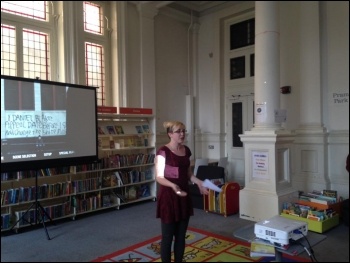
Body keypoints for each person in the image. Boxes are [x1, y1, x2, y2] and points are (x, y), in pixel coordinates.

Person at [155, 121, 209, 262]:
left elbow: (188, 174)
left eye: (184, 131)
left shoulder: (186, 150)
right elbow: (159, 177)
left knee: (181, 236)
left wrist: (199, 182)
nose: (182, 134)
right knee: (167, 237)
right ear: (170, 134)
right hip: (168, 198)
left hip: (183, 196)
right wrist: (172, 186)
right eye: (178, 131)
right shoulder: (163, 152)